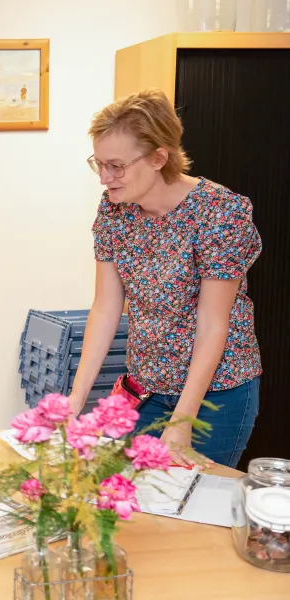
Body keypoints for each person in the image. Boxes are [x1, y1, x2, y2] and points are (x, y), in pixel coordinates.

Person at [73, 89, 262, 469]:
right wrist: (73, 403)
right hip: (145, 388)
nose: (105, 179)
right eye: (99, 164)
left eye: (116, 166)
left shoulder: (220, 213)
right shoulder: (114, 211)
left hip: (216, 394)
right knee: (130, 495)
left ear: (160, 157)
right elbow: (106, 309)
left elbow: (212, 324)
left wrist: (182, 421)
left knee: (191, 508)